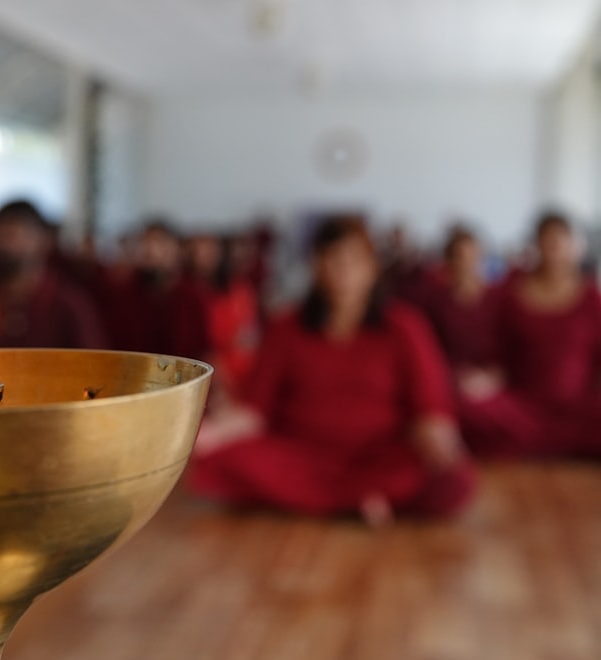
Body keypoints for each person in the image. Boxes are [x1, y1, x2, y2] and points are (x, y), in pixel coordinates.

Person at [188, 215, 475, 524]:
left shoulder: (405, 326)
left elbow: (429, 405)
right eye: (333, 260)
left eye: (354, 260)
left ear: (372, 268)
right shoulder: (286, 327)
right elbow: (256, 410)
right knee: (217, 463)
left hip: (380, 455)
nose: (344, 272)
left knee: (454, 479)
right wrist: (210, 436)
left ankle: (341, 496)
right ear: (316, 267)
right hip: (301, 455)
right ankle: (363, 498)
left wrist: (436, 434)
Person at [460, 212, 601, 459]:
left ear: (576, 247)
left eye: (562, 241)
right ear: (536, 245)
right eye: (548, 241)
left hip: (578, 409)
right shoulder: (511, 294)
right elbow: (498, 356)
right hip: (522, 408)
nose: (555, 249)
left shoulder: (591, 298)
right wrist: (484, 381)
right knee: (466, 406)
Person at [0, 199, 107, 349]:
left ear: (43, 241)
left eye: (15, 237)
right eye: (0, 236)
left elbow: (91, 362)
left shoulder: (69, 302)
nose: (6, 247)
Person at [108, 221, 210, 360]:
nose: (150, 250)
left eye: (159, 243)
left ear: (176, 249)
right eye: (145, 243)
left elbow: (202, 348)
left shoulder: (192, 295)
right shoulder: (125, 293)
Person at [420, 227, 501, 396]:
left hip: (492, 381)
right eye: (460, 257)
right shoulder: (436, 304)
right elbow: (430, 351)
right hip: (450, 382)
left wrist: (492, 378)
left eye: (473, 257)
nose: (467, 264)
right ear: (448, 262)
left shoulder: (498, 300)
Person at [186, 233, 260, 398]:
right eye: (197, 250)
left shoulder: (239, 288)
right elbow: (205, 347)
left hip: (245, 373)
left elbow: (250, 333)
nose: (203, 255)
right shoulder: (189, 293)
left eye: (209, 249)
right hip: (209, 377)